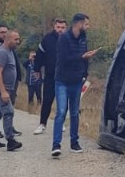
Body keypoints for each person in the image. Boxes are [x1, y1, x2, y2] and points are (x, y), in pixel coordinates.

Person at [51, 13, 99, 157]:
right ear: (78, 24)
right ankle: (56, 144)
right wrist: (82, 56)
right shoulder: (63, 38)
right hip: (62, 80)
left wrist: (85, 73)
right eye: (86, 24)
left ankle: (74, 142)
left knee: (74, 112)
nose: (88, 27)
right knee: (60, 111)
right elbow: (63, 58)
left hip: (77, 80)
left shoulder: (83, 38)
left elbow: (84, 59)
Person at [0, 30, 23, 152]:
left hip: (7, 88)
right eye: (15, 39)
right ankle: (10, 141)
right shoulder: (1, 53)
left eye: (18, 39)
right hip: (1, 88)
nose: (18, 42)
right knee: (8, 112)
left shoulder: (10, 51)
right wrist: (3, 91)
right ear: (8, 40)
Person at [32, 18, 67, 134]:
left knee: (62, 101)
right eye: (58, 27)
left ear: (66, 28)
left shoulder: (70, 39)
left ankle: (61, 123)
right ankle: (42, 124)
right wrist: (36, 68)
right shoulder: (47, 39)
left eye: (62, 28)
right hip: (50, 75)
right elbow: (39, 54)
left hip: (65, 75)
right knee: (47, 99)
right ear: (54, 27)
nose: (60, 30)